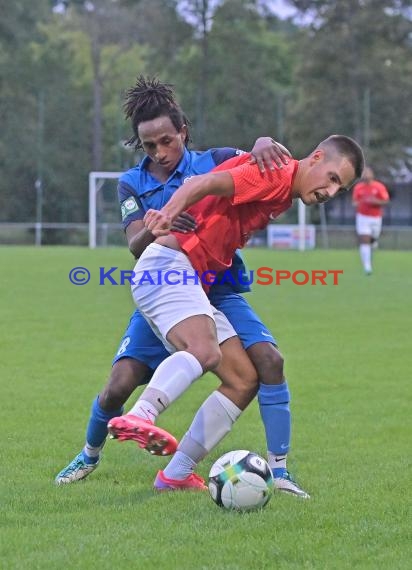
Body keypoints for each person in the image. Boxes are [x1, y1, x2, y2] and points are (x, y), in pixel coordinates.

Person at [55, 76, 309, 497]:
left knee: (267, 361)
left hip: (218, 289)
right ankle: (90, 453)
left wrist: (265, 140)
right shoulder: (132, 184)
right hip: (168, 285)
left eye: (166, 141)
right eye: (149, 145)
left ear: (183, 132)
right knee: (118, 385)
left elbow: (271, 168)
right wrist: (160, 226)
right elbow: (136, 245)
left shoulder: (217, 159)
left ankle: (277, 471)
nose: (160, 152)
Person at [108, 134, 364, 492]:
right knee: (204, 349)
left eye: (341, 189)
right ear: (317, 157)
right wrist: (166, 215)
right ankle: (141, 414)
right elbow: (203, 182)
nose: (331, 192)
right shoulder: (275, 175)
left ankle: (175, 476)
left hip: (190, 278)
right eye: (333, 178)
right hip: (167, 266)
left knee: (244, 379)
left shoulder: (283, 186)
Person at [352, 166, 390, 275]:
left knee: (373, 240)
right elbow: (354, 202)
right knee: (364, 240)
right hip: (362, 217)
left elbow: (386, 201)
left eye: (368, 172)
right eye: (364, 173)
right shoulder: (358, 187)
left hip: (376, 218)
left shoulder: (379, 187)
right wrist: (358, 203)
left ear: (372, 174)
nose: (366, 174)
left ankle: (374, 242)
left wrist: (375, 201)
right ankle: (367, 267)